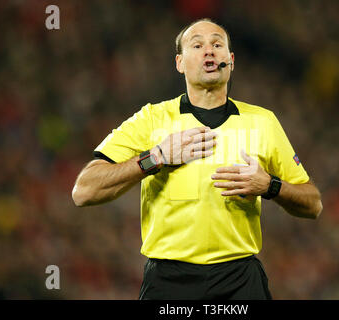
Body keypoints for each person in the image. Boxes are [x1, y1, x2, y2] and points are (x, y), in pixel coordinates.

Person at [72, 18, 323, 300]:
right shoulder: (151, 119)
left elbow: (313, 204)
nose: (209, 50)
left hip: (239, 281)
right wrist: (156, 157)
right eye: (197, 45)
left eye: (217, 44)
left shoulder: (262, 122)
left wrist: (270, 186)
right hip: (169, 283)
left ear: (231, 60)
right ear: (180, 63)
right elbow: (84, 191)